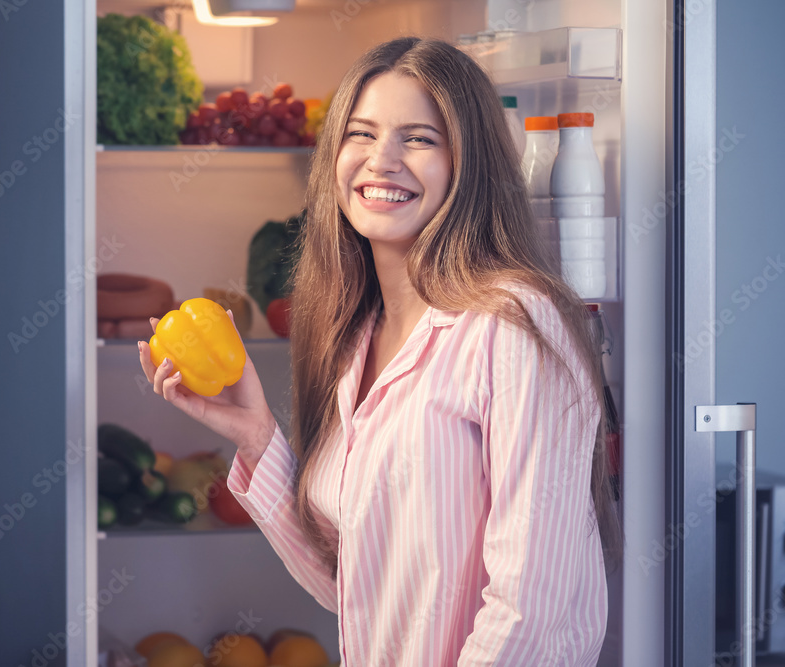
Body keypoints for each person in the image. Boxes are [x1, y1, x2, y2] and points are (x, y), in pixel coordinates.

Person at [138, 36, 622, 666]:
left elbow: (531, 608)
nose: (380, 160)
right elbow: (360, 588)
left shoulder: (513, 324)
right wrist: (258, 437)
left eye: (418, 138)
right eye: (360, 134)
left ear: (466, 163)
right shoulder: (360, 334)